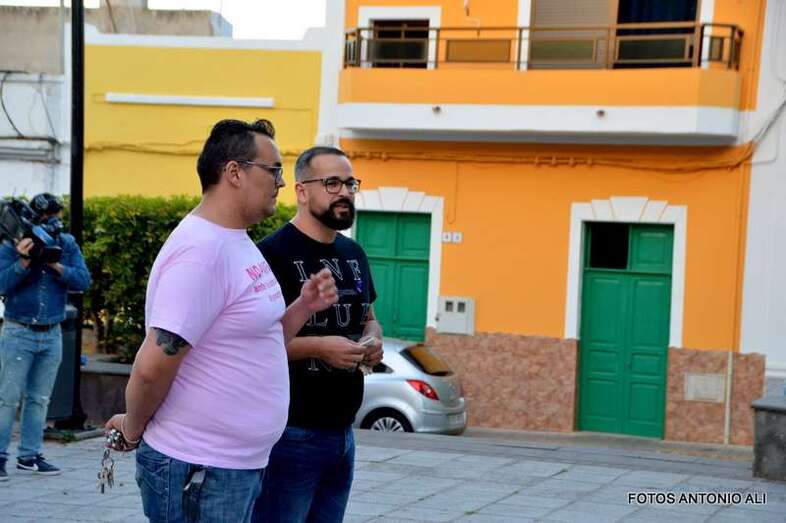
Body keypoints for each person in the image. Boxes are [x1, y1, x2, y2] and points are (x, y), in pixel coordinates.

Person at [104, 119, 338, 523]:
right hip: (200, 470)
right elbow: (152, 366)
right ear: (234, 172)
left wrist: (303, 306)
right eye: (274, 170)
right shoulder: (202, 253)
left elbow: (259, 341)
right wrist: (131, 429)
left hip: (228, 467)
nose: (282, 182)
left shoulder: (235, 241)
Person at [252, 146, 383, 523]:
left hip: (343, 433)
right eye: (332, 183)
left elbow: (369, 318)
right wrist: (320, 348)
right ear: (301, 191)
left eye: (350, 184)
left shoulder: (354, 254)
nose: (344, 192)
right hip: (290, 433)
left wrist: (372, 340)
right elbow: (252, 346)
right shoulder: (270, 254)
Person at [0, 193, 91, 480]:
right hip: (18, 330)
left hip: (52, 332)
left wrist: (56, 265)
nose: (53, 222)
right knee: (7, 398)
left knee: (39, 399)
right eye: (47, 216)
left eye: (56, 215)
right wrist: (24, 261)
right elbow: (2, 283)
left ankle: (29, 456)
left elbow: (83, 280)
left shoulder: (66, 244)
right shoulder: (11, 245)